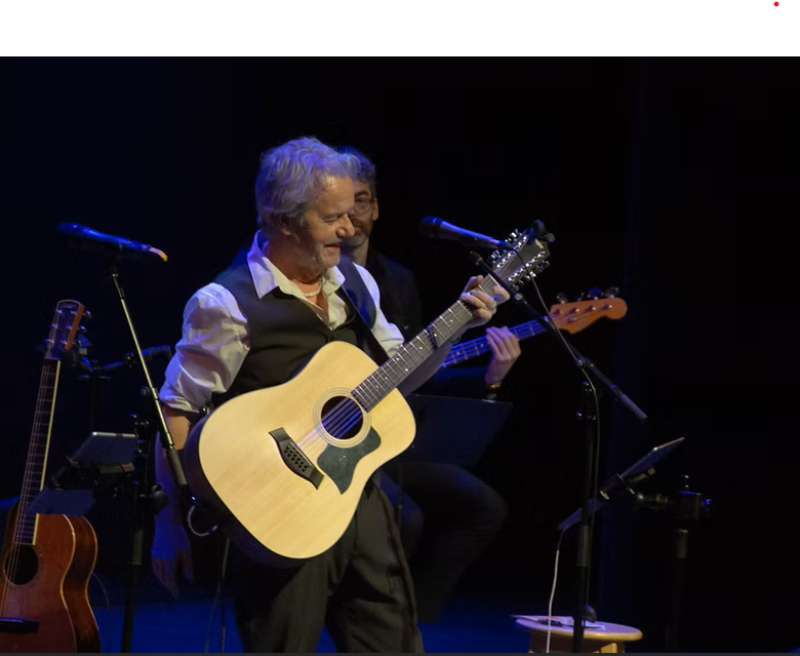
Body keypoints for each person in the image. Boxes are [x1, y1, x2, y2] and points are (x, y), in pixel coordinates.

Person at [151, 137, 508, 653]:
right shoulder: (225, 303)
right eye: (332, 217)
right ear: (283, 219)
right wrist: (168, 522)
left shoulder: (356, 283)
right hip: (281, 519)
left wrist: (457, 326)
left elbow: (399, 377)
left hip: (362, 507)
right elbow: (176, 412)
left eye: (352, 212)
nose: (350, 227)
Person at [338, 146, 520, 623]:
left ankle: (413, 618)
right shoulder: (311, 275)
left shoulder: (397, 281)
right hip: (335, 432)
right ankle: (362, 615)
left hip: (392, 431)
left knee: (483, 506)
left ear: (376, 208)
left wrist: (488, 379)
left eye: (361, 201)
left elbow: (418, 370)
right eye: (340, 203)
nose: (351, 214)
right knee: (406, 516)